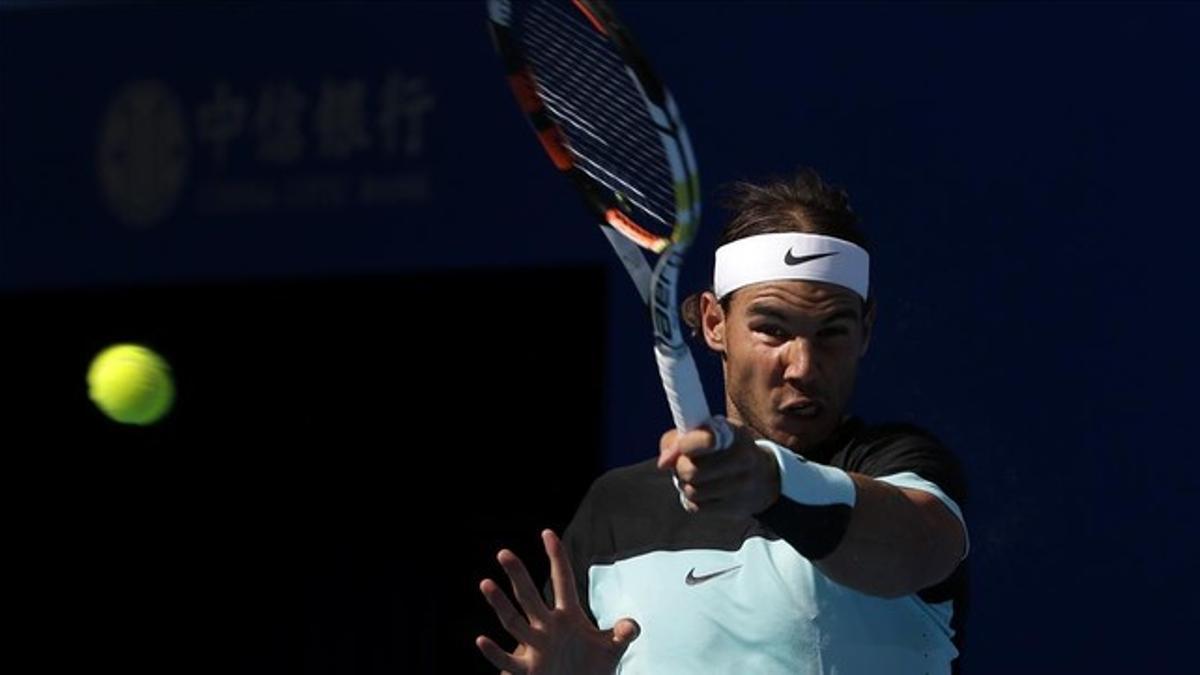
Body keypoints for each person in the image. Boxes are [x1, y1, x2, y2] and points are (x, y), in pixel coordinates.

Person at [475, 168, 969, 674]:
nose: (802, 367)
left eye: (831, 332)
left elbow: (919, 548)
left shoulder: (898, 467)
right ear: (714, 323)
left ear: (866, 332)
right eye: (772, 330)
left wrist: (771, 481)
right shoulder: (615, 511)